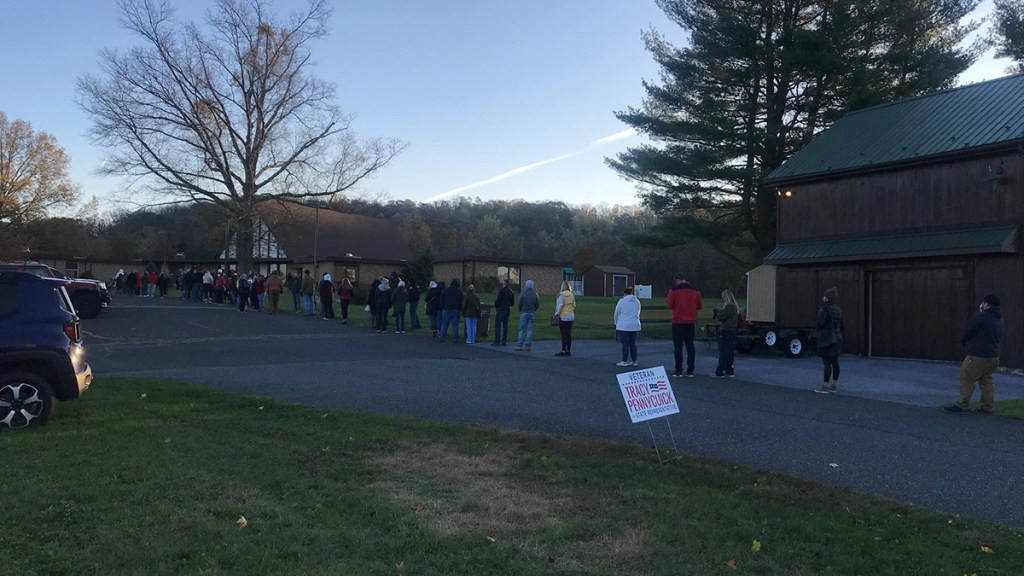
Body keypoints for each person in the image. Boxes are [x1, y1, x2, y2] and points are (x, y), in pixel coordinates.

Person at [945, 294, 1003, 414]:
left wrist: (963, 341)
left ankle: (962, 405)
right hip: (993, 356)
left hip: (977, 355)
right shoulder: (999, 319)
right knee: (986, 381)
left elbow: (968, 331)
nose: (981, 305)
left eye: (983, 303)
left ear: (987, 304)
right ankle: (987, 407)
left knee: (967, 377)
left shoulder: (981, 317)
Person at [666, 274, 703, 377]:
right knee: (690, 346)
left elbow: (669, 305)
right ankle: (690, 370)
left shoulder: (674, 290)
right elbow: (699, 305)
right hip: (690, 322)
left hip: (678, 321)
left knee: (678, 347)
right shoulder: (695, 290)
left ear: (677, 280)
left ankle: (678, 370)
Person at [814, 287, 844, 393]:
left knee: (827, 363)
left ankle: (825, 385)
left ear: (826, 297)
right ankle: (834, 385)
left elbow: (820, 323)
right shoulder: (839, 309)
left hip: (827, 338)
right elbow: (842, 326)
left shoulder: (824, 308)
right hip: (837, 338)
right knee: (835, 362)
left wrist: (818, 329)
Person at [711, 290, 739, 378]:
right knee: (730, 351)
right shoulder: (734, 306)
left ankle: (720, 371)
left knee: (723, 350)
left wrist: (718, 312)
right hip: (733, 330)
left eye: (723, 297)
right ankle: (730, 370)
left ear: (726, 297)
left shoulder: (729, 306)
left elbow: (721, 316)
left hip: (727, 330)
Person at [613, 286, 641, 367]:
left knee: (625, 344)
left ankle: (624, 360)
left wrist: (616, 323)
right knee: (632, 343)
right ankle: (634, 360)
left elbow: (617, 313)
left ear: (624, 293)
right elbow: (638, 312)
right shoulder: (637, 301)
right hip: (635, 325)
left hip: (623, 325)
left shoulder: (622, 301)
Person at [514, 280, 540, 352]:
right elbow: (537, 305)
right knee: (529, 330)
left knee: (521, 330)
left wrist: (521, 310)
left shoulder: (523, 294)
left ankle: (519, 345)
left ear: (526, 286)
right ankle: (528, 345)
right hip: (531, 313)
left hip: (523, 313)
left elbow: (519, 304)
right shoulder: (535, 295)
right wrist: (533, 309)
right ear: (532, 286)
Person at [554, 281, 576, 357]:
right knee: (568, 333)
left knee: (563, 334)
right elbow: (574, 305)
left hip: (564, 316)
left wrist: (557, 314)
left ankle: (563, 350)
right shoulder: (572, 295)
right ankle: (568, 350)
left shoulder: (561, 295)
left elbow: (559, 305)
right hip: (571, 315)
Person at [437, 279, 463, 343]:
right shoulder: (459, 291)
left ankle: (442, 338)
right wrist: (460, 309)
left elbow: (442, 300)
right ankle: (455, 339)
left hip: (446, 309)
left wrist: (441, 307)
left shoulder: (445, 291)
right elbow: (461, 301)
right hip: (456, 309)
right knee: (455, 325)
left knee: (444, 324)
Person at [491, 279, 515, 346]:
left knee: (497, 325)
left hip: (501, 310)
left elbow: (498, 300)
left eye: (503, 283)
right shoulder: (511, 292)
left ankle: (497, 341)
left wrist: (496, 306)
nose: (502, 284)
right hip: (507, 310)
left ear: (505, 284)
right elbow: (512, 303)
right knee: (505, 326)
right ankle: (504, 341)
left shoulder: (502, 291)